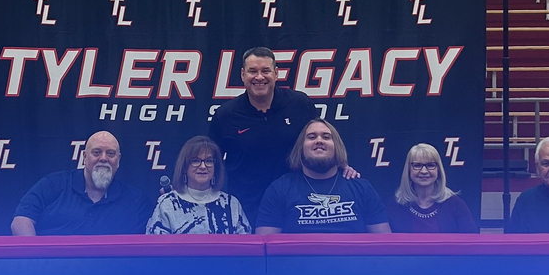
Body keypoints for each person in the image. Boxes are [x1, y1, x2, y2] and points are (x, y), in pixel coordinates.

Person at [208, 46, 357, 227]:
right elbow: (210, 159)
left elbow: (321, 139)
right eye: (252, 71)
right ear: (242, 75)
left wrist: (342, 164)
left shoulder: (299, 104)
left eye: (266, 71)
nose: (259, 77)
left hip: (297, 203)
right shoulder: (226, 114)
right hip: (247, 205)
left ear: (276, 74)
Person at [256, 119, 391, 234]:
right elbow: (265, 250)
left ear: (336, 147)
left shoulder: (362, 188)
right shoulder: (279, 189)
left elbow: (385, 245)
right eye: (311, 137)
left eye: (326, 137)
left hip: (353, 264)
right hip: (298, 265)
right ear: (301, 148)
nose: (319, 141)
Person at [11, 130, 151, 236]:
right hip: (54, 271)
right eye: (96, 152)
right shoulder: (52, 184)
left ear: (118, 159)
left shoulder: (136, 200)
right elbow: (21, 221)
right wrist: (36, 262)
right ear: (84, 157)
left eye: (110, 153)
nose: (103, 158)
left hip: (113, 273)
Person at [146, 136, 251, 234]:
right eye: (195, 161)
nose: (203, 166)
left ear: (216, 167)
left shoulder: (231, 204)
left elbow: (246, 247)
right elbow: (155, 248)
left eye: (209, 161)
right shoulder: (167, 204)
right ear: (184, 166)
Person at [386, 143, 477, 233]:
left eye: (430, 165)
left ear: (439, 170)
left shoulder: (456, 205)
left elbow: (472, 242)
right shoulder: (395, 206)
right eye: (417, 165)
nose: (424, 171)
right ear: (408, 170)